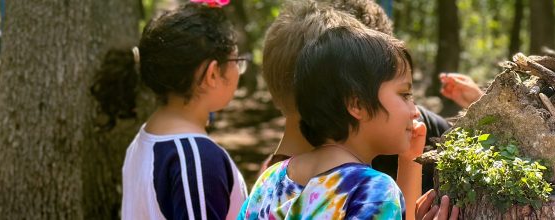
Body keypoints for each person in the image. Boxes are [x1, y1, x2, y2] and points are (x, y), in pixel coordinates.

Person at [256, 1, 458, 219]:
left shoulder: (271, 178)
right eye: (404, 94)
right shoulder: (372, 191)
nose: (415, 111)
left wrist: (409, 161)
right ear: (357, 104)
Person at [91, 1, 249, 219]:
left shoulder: (145, 140)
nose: (239, 70)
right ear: (212, 74)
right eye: (236, 61)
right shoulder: (197, 160)